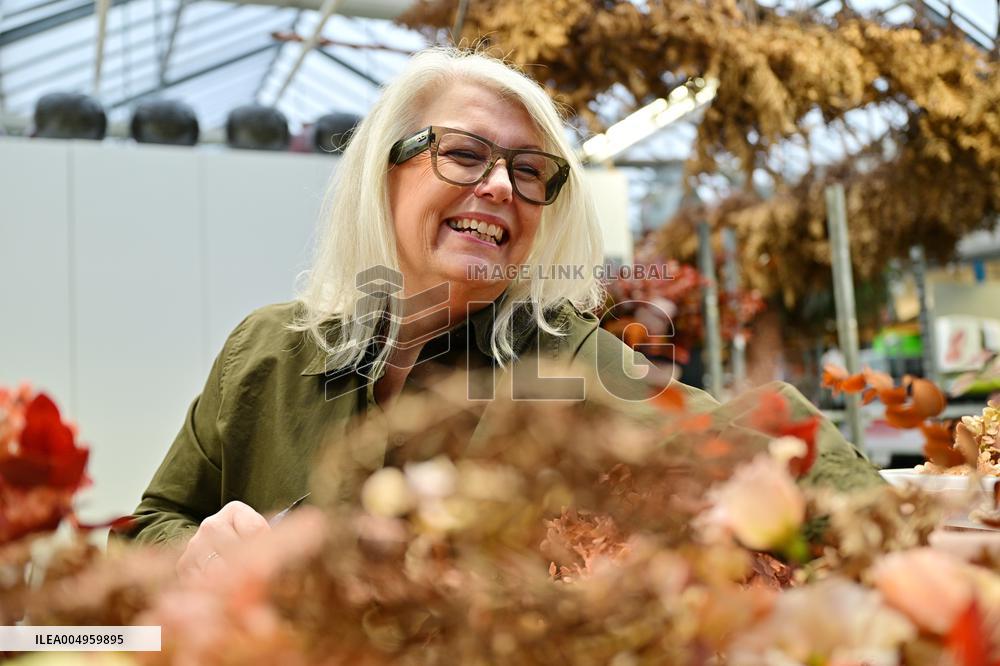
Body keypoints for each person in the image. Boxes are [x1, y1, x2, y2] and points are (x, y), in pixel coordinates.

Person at [118, 48, 882, 575]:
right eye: (463, 153)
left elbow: (774, 454)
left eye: (529, 171)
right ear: (383, 169)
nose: (499, 187)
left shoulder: (571, 361)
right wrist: (191, 554)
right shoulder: (266, 354)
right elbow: (155, 521)